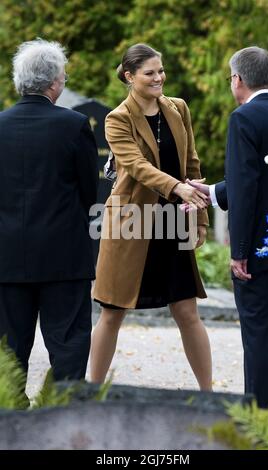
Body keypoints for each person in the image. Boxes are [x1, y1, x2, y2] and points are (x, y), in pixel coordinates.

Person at [91, 43, 212, 391]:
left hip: (174, 222)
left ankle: (210, 396)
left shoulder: (178, 108)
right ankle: (90, 393)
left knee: (187, 311)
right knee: (112, 313)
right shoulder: (117, 119)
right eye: (150, 73)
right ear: (130, 77)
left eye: (161, 71)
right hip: (130, 222)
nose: (159, 77)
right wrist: (177, 188)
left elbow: (192, 164)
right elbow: (138, 167)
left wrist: (199, 219)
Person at [190, 46, 268, 408]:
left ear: (238, 80)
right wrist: (213, 191)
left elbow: (246, 187)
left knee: (259, 336)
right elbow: (265, 180)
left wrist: (239, 252)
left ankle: (259, 417)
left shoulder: (243, 118)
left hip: (258, 253)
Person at [0, 39, 99, 384]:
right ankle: (63, 420)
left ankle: (10, 424)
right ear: (54, 82)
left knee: (9, 351)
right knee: (68, 345)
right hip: (64, 256)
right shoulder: (73, 125)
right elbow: (90, 191)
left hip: (8, 256)